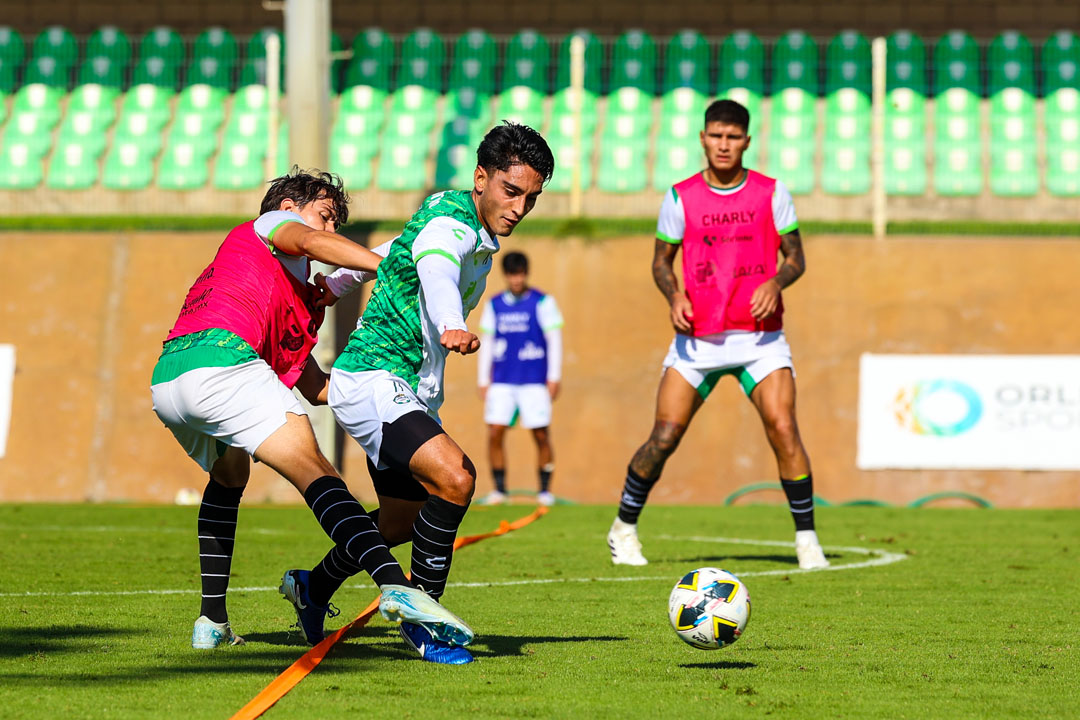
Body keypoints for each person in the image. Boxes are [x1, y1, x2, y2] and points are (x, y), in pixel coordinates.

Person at [150, 168, 471, 653]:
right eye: (325, 217)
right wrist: (389, 264)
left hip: (172, 377)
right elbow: (309, 242)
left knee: (230, 475)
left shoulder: (295, 301)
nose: (328, 232)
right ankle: (395, 585)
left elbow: (319, 388)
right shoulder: (267, 229)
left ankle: (211, 622)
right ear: (287, 208)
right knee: (318, 473)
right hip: (223, 361)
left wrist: (372, 388)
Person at [316, 122, 554, 664]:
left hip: (405, 387)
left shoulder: (459, 223)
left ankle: (312, 586)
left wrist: (334, 285)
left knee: (399, 521)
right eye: (511, 191)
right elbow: (435, 266)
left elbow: (395, 250)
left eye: (531, 198)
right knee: (456, 477)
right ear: (481, 178)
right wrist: (450, 321)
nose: (519, 207)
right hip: (375, 376)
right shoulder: (452, 225)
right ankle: (426, 625)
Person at [606, 100, 829, 570]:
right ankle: (623, 528)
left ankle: (807, 541)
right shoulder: (680, 196)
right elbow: (660, 262)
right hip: (697, 341)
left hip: (761, 340)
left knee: (784, 427)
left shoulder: (771, 192)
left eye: (732, 136)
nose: (723, 144)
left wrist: (776, 282)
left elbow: (797, 258)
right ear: (703, 138)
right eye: (715, 135)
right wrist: (674, 297)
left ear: (747, 141)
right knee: (664, 436)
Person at [475, 251, 564, 506]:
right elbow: (488, 342)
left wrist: (554, 376)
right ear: (505, 275)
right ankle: (500, 490)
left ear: (526, 274)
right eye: (512, 274)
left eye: (521, 274)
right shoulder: (494, 305)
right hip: (502, 380)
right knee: (495, 432)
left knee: (540, 434)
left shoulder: (543, 302)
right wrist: (483, 379)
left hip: (534, 379)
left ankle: (545, 491)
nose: (516, 280)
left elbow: (554, 340)